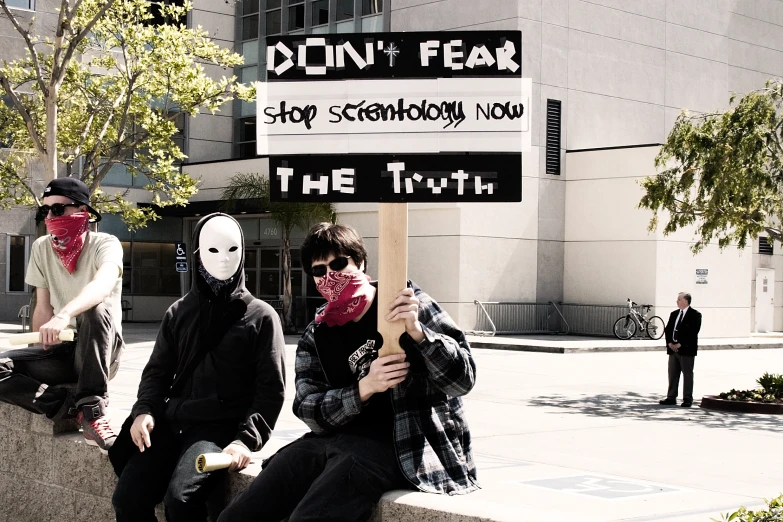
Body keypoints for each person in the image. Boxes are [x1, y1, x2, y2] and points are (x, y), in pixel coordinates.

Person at [218, 223, 478, 522]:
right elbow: (308, 408)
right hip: (333, 440)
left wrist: (419, 333)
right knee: (238, 515)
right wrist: (364, 388)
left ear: (360, 262)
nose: (331, 276)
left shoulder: (405, 303)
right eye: (319, 270)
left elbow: (463, 380)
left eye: (339, 263)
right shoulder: (318, 333)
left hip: (401, 445)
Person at [110, 213, 286, 522]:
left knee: (181, 500)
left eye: (232, 249)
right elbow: (157, 372)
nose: (222, 259)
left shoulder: (261, 316)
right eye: (213, 249)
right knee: (127, 498)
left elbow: (271, 389)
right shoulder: (178, 312)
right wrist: (144, 411)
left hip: (217, 429)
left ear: (243, 251)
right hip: (170, 422)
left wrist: (245, 440)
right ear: (197, 253)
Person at [0, 177, 124, 450]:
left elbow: (102, 286)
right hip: (63, 352)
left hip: (101, 351)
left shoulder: (106, 243)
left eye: (58, 209)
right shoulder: (42, 248)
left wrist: (65, 314)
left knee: (95, 307)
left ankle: (93, 410)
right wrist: (38, 353)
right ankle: (65, 406)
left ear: (82, 211)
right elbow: (43, 307)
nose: (50, 216)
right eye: (46, 210)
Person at [659, 292, 702, 408]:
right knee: (673, 374)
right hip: (673, 350)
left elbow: (693, 332)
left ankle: (687, 399)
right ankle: (671, 397)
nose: (676, 301)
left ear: (686, 301)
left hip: (686, 350)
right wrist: (670, 343)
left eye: (679, 299)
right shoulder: (674, 314)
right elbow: (668, 330)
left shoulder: (695, 315)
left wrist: (681, 344)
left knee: (687, 374)